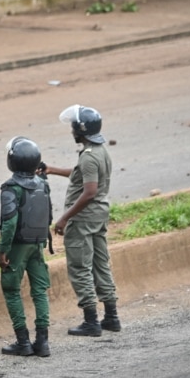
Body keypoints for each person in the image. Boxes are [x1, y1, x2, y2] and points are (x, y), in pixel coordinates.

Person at [42, 105, 120, 337]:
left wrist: (65, 218)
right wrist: (51, 169)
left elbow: (89, 191)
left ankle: (91, 322)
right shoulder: (100, 151)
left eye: (74, 127)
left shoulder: (88, 157)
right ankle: (111, 317)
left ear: (81, 130)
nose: (72, 131)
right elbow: (81, 174)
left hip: (83, 218)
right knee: (100, 263)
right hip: (98, 215)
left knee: (80, 268)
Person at [0, 137, 53, 357]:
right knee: (39, 291)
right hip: (38, 244)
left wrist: (2, 252)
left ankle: (23, 342)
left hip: (18, 247)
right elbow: (48, 214)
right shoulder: (44, 184)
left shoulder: (10, 188)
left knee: (12, 290)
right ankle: (43, 342)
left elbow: (9, 223)